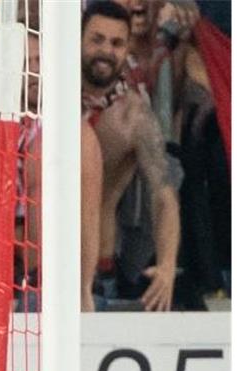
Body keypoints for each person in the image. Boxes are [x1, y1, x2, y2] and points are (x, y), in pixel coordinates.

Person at [82, 0, 179, 311]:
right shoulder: (46, 94)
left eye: (116, 43)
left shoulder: (134, 116)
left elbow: (164, 193)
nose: (106, 51)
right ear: (79, 40)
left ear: (126, 50)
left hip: (98, 273)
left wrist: (166, 265)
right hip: (37, 265)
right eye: (97, 39)